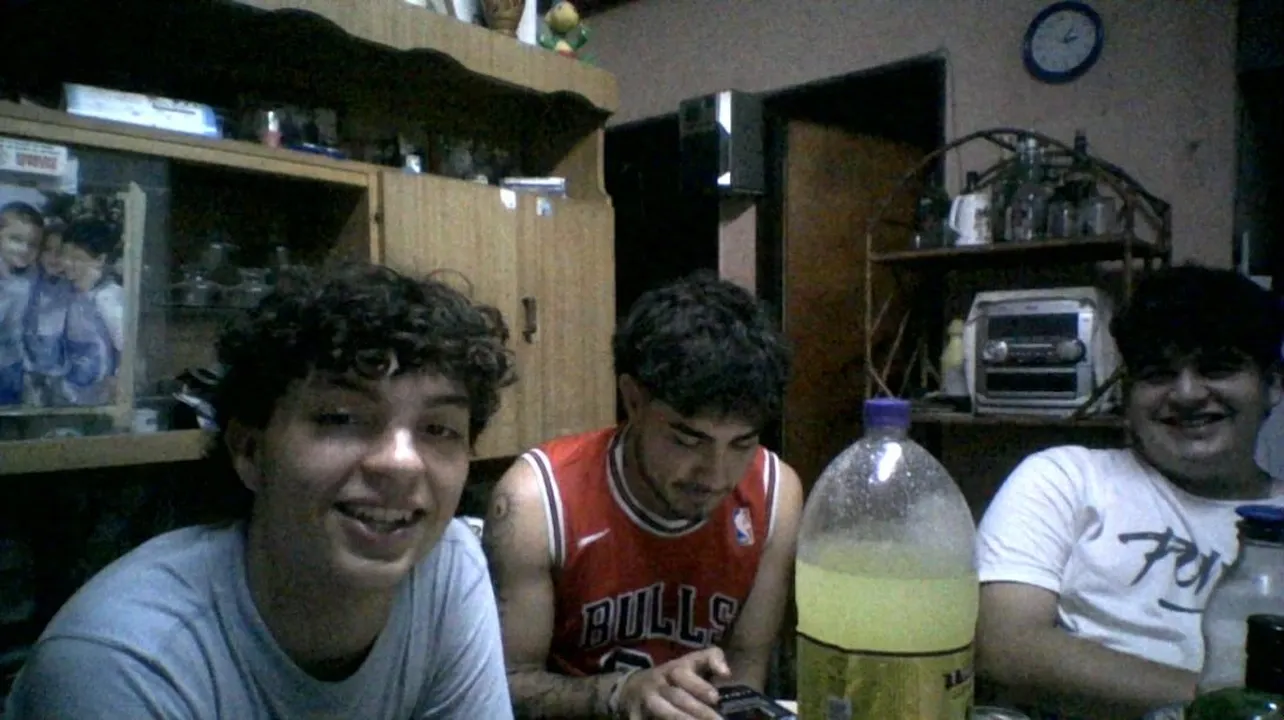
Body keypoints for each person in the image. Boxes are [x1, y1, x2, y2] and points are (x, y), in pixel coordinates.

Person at [5, 263, 519, 719]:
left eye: (438, 429)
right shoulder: (122, 661)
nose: (401, 463)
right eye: (341, 417)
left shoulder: (447, 566)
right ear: (250, 451)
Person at [483, 271, 802, 720]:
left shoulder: (775, 494)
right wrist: (620, 693)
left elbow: (744, 675)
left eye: (741, 444)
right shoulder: (536, 502)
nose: (716, 474)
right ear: (633, 401)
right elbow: (505, 687)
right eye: (688, 440)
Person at [975, 265, 1284, 719]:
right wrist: (1223, 706)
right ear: (1128, 394)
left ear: (1272, 385)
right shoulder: (1066, 478)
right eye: (1158, 374)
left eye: (1217, 368)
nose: (1186, 394)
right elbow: (1005, 647)